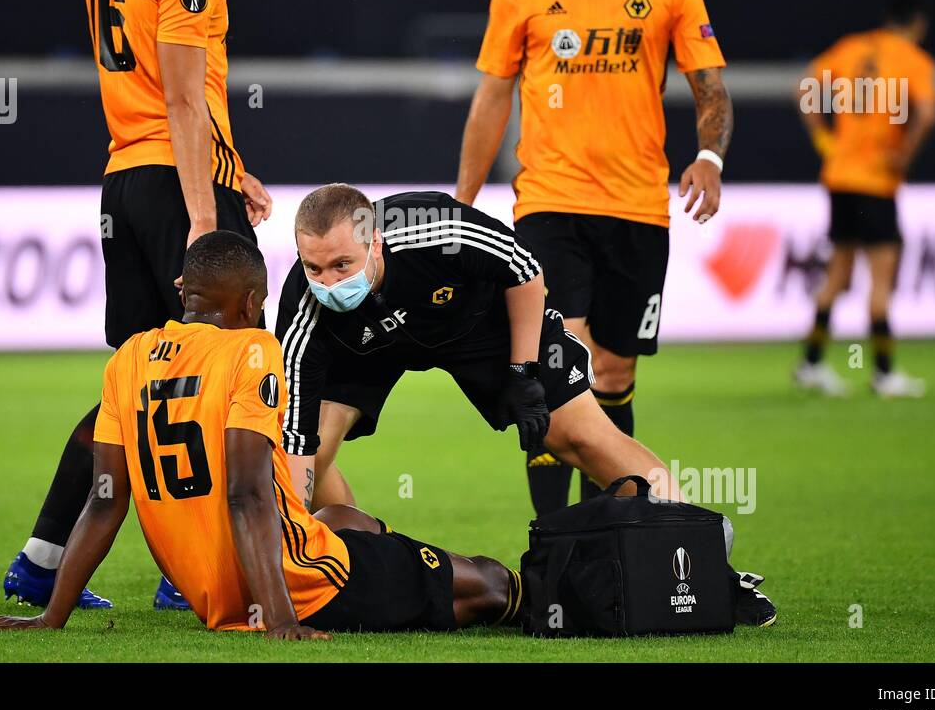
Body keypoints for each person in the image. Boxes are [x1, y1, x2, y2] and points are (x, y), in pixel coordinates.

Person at [0, 232, 521, 638]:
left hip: (214, 596)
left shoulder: (129, 359)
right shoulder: (253, 349)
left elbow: (104, 501)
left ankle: (385, 546)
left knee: (343, 521)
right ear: (253, 303)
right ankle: (543, 590)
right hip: (301, 585)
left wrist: (50, 617)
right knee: (488, 583)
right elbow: (247, 492)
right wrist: (281, 621)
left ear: (185, 289)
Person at [275, 185, 776, 626]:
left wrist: (522, 373)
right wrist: (285, 540)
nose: (331, 282)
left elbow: (526, 271)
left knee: (580, 435)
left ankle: (705, 563)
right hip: (365, 348)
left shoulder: (434, 228)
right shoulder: (305, 309)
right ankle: (341, 563)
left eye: (343, 265)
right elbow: (295, 442)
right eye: (314, 267)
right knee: (311, 454)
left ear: (375, 241)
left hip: (480, 324)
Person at [2, 0, 274, 613]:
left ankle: (45, 558)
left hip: (126, 177)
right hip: (175, 187)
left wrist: (237, 171)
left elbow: (158, 95)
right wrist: (203, 217)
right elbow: (185, 103)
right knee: (230, 373)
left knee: (135, 386)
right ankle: (185, 569)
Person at [455, 0, 732, 516]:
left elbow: (711, 88)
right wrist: (461, 204)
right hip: (549, 202)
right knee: (559, 365)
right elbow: (492, 97)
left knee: (612, 372)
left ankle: (606, 534)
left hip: (638, 207)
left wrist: (710, 157)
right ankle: (552, 541)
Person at [793, 0, 935, 398]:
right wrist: (904, 157)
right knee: (880, 280)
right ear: (918, 25)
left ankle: (811, 364)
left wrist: (825, 141)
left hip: (840, 178)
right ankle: (884, 372)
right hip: (876, 181)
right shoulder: (914, 60)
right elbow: (927, 114)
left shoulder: (851, 48)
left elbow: (803, 91)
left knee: (837, 274)